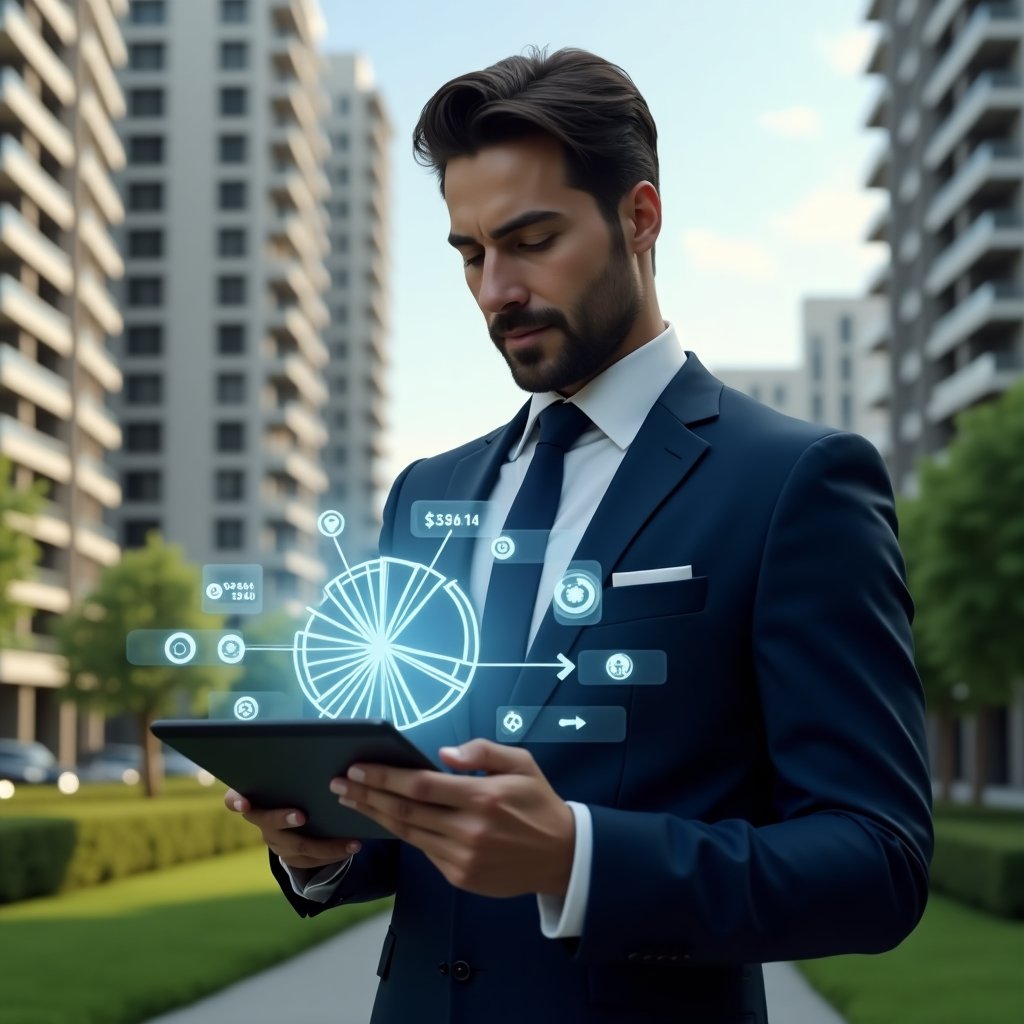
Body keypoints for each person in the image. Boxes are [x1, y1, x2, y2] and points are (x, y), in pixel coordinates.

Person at [227, 47, 933, 1023]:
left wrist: (578, 858)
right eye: (470, 254)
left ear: (638, 219)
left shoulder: (795, 481)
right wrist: (326, 846)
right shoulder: (428, 492)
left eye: (530, 241)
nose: (494, 290)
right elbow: (422, 809)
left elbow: (878, 860)